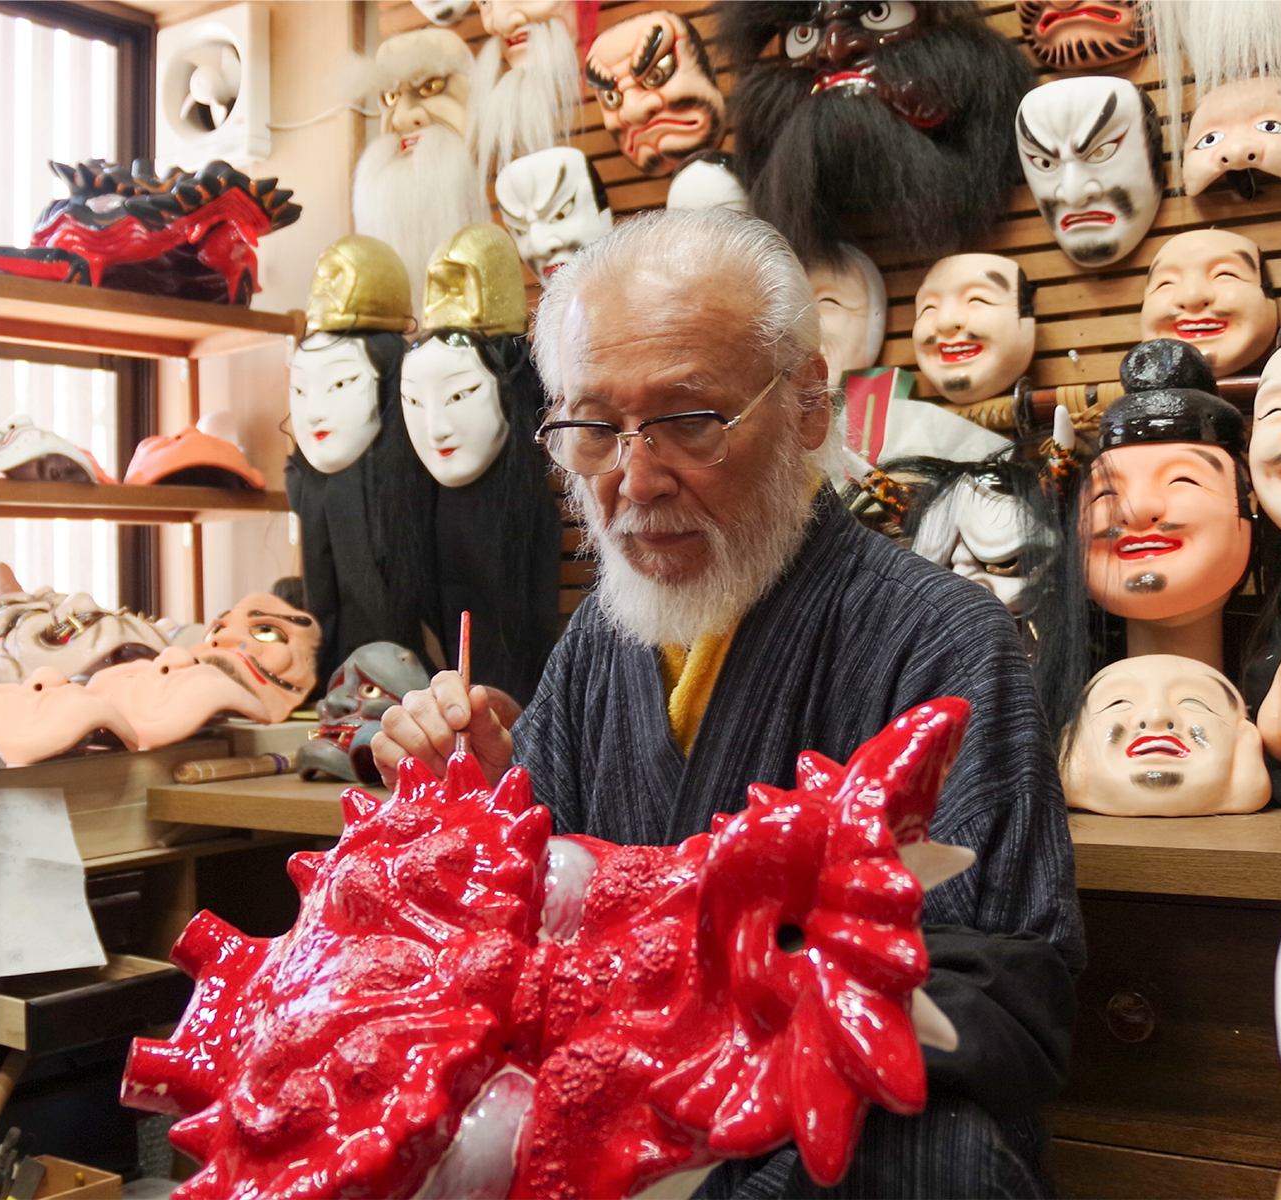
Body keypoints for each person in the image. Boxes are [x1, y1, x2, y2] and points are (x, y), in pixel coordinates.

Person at [372, 208, 1084, 1197]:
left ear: (804, 409)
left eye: (687, 421)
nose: (633, 477)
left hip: (807, 1144)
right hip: (591, 1139)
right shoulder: (599, 645)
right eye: (590, 428)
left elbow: (993, 998)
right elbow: (513, 950)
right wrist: (471, 813)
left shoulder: (938, 640)